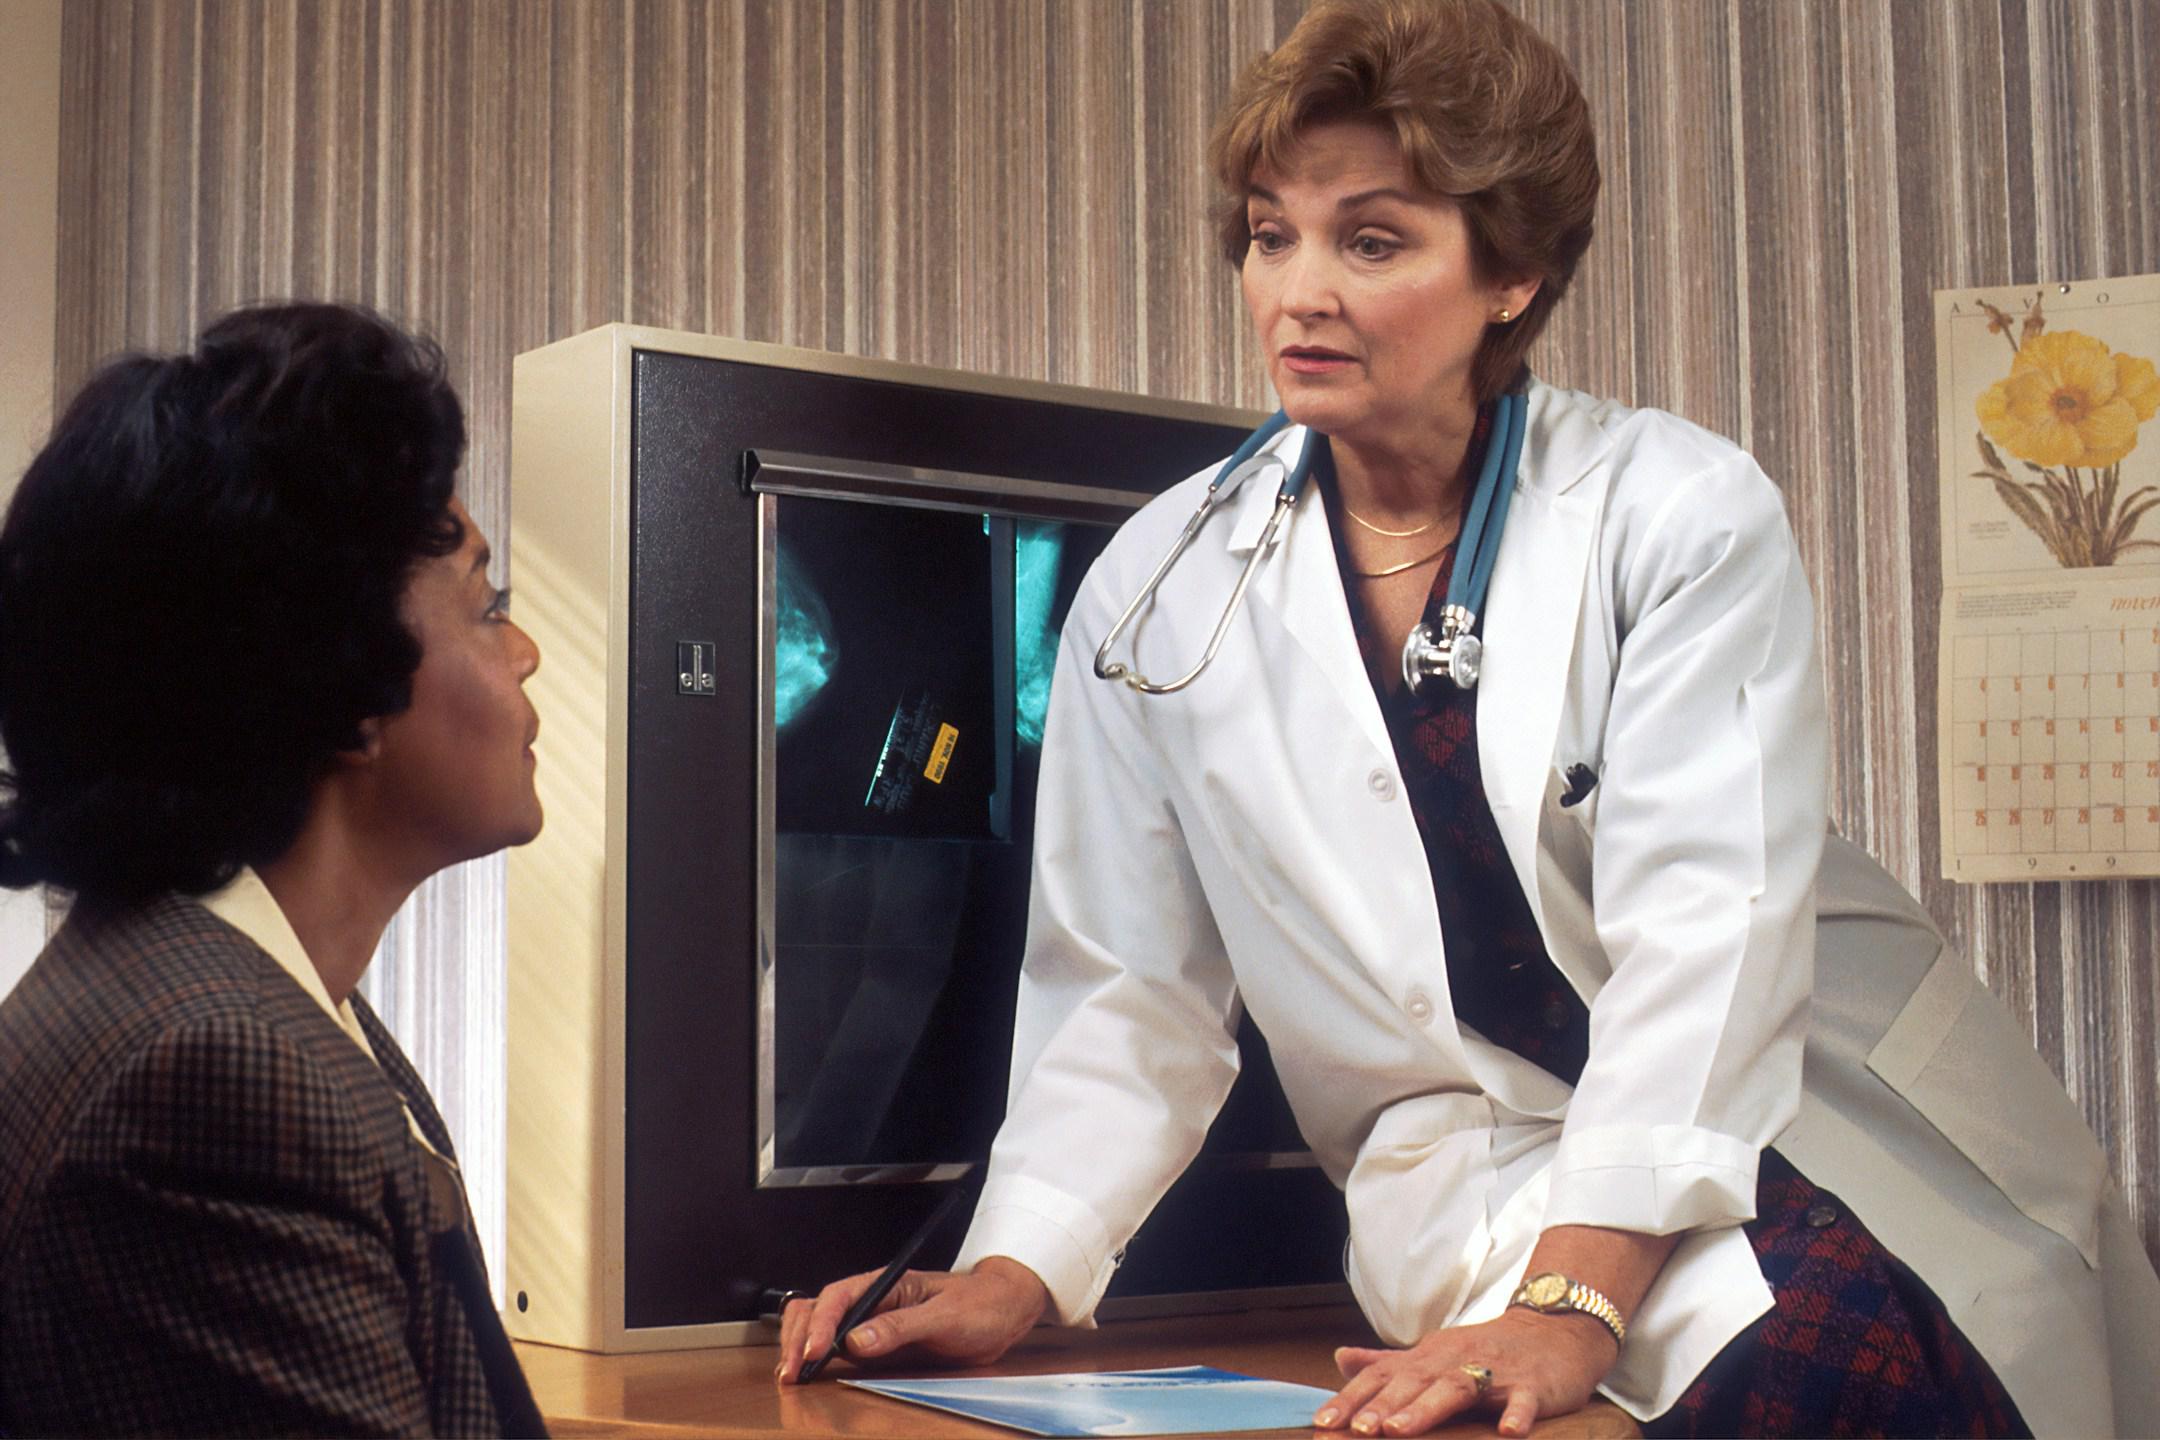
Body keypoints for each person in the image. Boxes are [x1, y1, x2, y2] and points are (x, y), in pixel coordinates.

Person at [778, 2, 2160, 1436]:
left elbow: (1709, 927)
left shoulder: (1675, 512)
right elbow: (1132, 986)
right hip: (1486, 1179)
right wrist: (1019, 1267)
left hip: (1795, 1117)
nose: (1298, 291)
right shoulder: (1161, 586)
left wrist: (1572, 1302)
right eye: (1270, 234)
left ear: (1513, 272)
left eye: (1370, 241)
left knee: (1853, 1357)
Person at [0, 303, 550, 1437]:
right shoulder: (218, 1077)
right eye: (487, 610)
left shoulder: (239, 1000)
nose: (528, 650)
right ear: (351, 683)